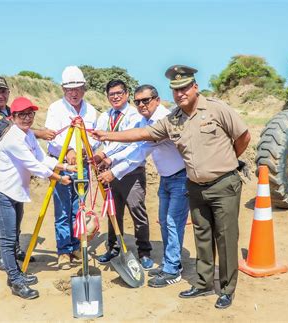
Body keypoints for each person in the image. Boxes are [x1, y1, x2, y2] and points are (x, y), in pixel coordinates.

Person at [93, 65, 251, 309]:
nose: (180, 92)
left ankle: (227, 289)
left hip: (223, 184)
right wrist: (106, 136)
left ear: (195, 87)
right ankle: (203, 283)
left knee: (225, 237)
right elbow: (141, 134)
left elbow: (243, 137)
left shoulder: (216, 109)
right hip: (194, 185)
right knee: (203, 236)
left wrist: (226, 163)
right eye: (176, 89)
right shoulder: (172, 120)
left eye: (185, 87)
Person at [98, 84, 189, 287]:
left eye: (146, 100)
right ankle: (170, 263)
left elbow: (141, 150)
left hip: (180, 178)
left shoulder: (162, 120)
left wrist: (113, 171)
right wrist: (109, 157)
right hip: (167, 177)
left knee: (172, 223)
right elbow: (132, 144)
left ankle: (172, 269)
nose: (141, 105)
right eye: (138, 102)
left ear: (157, 99)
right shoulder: (144, 120)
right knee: (165, 222)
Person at [0, 96, 75, 299]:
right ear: (13, 117)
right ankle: (15, 281)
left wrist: (65, 166)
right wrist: (59, 178)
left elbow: (42, 158)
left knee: (13, 236)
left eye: (30, 114)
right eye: (22, 115)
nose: (27, 118)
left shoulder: (28, 135)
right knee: (8, 241)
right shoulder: (13, 138)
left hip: (15, 192)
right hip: (2, 193)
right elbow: (33, 165)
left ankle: (15, 274)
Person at [0, 76, 55, 271]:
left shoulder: (11, 111)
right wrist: (41, 133)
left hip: (12, 173)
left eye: (3, 91)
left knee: (16, 213)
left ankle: (13, 249)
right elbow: (13, 131)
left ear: (8, 93)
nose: (0, 95)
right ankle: (0, 254)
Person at [93, 79, 154, 270]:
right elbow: (97, 140)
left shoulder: (135, 116)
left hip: (131, 172)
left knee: (137, 212)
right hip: (108, 173)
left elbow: (130, 143)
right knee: (113, 212)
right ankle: (113, 248)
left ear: (126, 94)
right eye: (112, 94)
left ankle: (144, 252)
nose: (116, 97)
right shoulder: (105, 116)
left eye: (119, 93)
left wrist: (107, 156)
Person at [45, 66, 98, 270]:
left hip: (83, 166)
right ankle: (64, 251)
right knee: (62, 210)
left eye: (77, 88)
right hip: (62, 166)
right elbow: (52, 138)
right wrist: (67, 150)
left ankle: (76, 245)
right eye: (69, 89)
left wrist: (85, 150)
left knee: (79, 209)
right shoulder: (55, 109)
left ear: (84, 88)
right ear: (63, 89)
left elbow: (93, 138)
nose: (74, 93)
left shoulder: (91, 110)